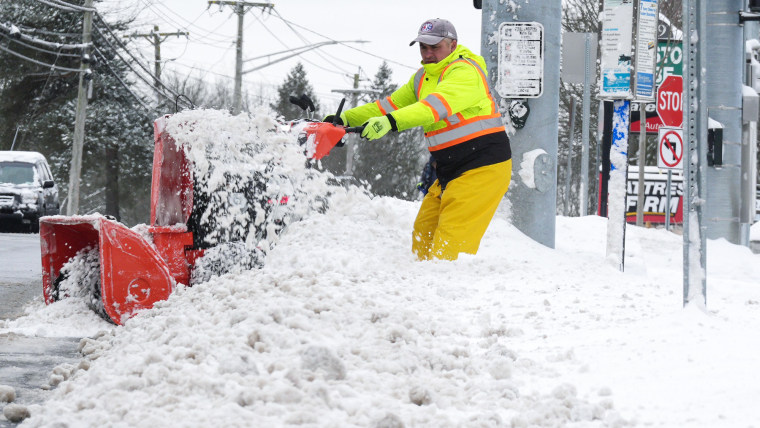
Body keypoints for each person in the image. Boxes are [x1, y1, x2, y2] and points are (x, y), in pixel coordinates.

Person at [330, 18, 512, 261]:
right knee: (423, 237)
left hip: (482, 168)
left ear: (453, 45)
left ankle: (451, 291)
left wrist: (390, 123)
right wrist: (341, 120)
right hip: (449, 170)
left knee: (449, 248)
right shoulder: (422, 78)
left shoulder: (466, 72)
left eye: (434, 47)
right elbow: (387, 106)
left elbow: (431, 108)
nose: (428, 53)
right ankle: (426, 291)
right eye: (423, 47)